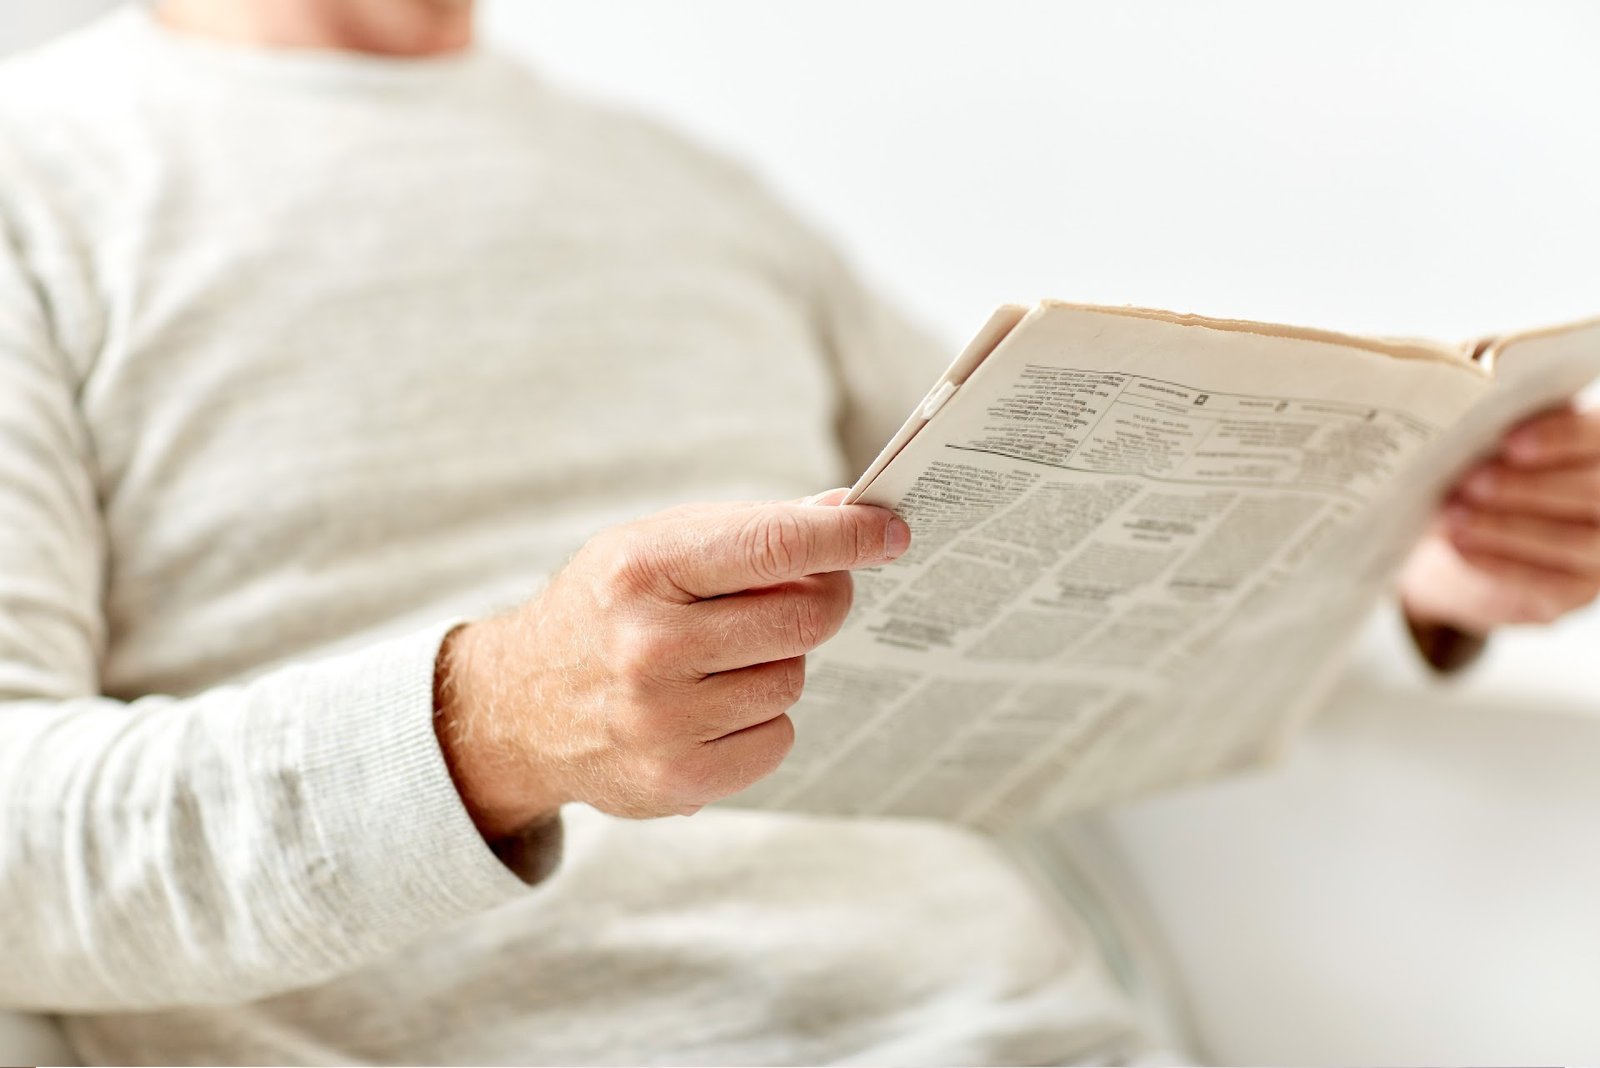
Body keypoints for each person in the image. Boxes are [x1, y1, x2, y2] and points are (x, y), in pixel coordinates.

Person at [1, 1, 1596, 1064]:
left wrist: (1412, 561)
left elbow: (1039, 572)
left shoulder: (685, 189)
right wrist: (490, 725)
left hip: (1022, 1030)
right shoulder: (42, 179)